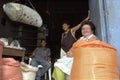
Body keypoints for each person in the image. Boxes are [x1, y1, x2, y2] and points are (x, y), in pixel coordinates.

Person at [52, 11, 90, 80]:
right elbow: (62, 43)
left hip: (72, 52)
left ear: (68, 26)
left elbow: (79, 25)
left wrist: (87, 18)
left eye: (65, 25)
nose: (64, 26)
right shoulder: (62, 34)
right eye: (63, 26)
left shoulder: (72, 31)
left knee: (70, 68)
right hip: (63, 52)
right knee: (62, 67)